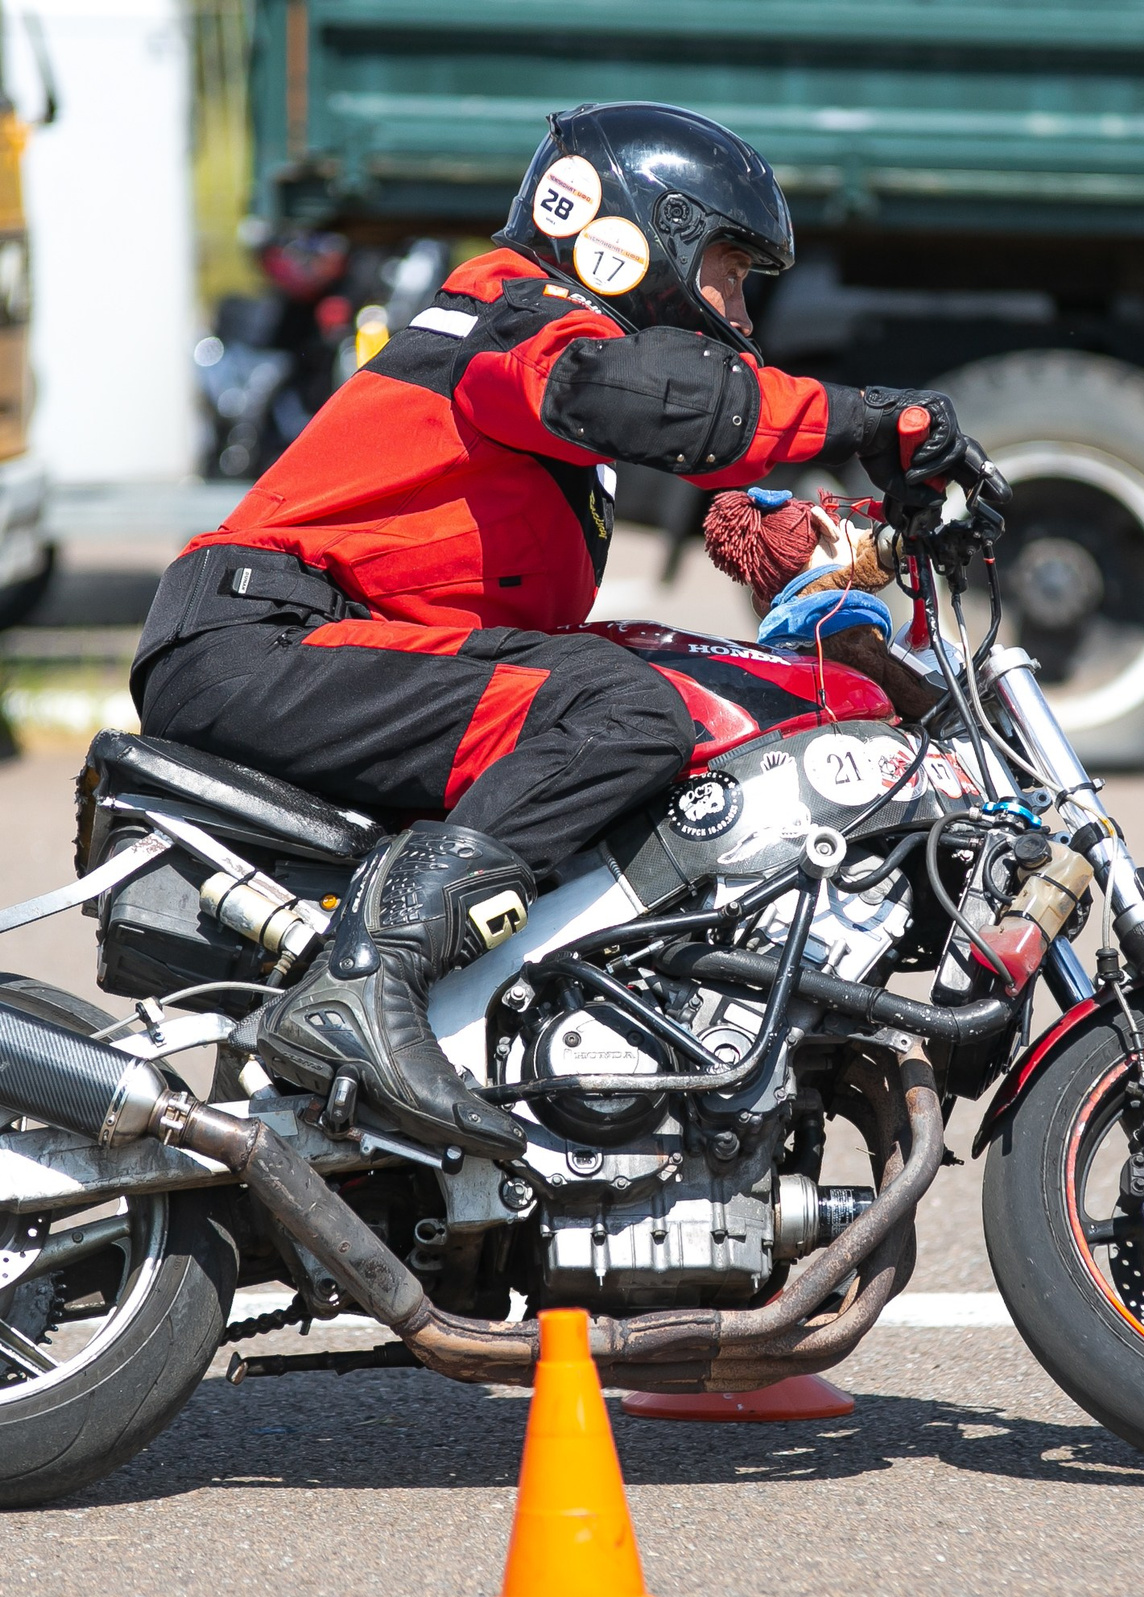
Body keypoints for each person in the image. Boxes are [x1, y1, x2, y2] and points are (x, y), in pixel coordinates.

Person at [129, 101, 988, 1156]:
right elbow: (647, 398)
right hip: (262, 644)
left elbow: (691, 480)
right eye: (726, 272)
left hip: (324, 648)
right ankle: (366, 985)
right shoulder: (511, 315)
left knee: (644, 672)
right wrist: (864, 417)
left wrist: (867, 542)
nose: (740, 314)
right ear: (635, 241)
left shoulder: (555, 409)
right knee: (621, 709)